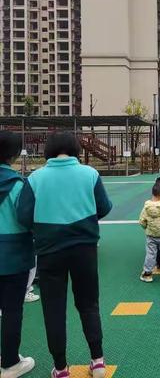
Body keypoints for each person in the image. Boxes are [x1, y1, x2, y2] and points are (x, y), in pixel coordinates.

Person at [17, 132, 112, 378]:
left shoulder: (35, 178)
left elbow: (24, 216)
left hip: (49, 252)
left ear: (48, 151)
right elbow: (104, 207)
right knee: (89, 304)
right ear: (75, 149)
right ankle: (98, 361)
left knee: (54, 309)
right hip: (85, 249)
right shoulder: (90, 174)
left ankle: (60, 369)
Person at [0, 131, 35, 378]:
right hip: (13, 256)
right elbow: (29, 221)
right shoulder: (18, 184)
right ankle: (10, 363)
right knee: (12, 310)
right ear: (13, 155)